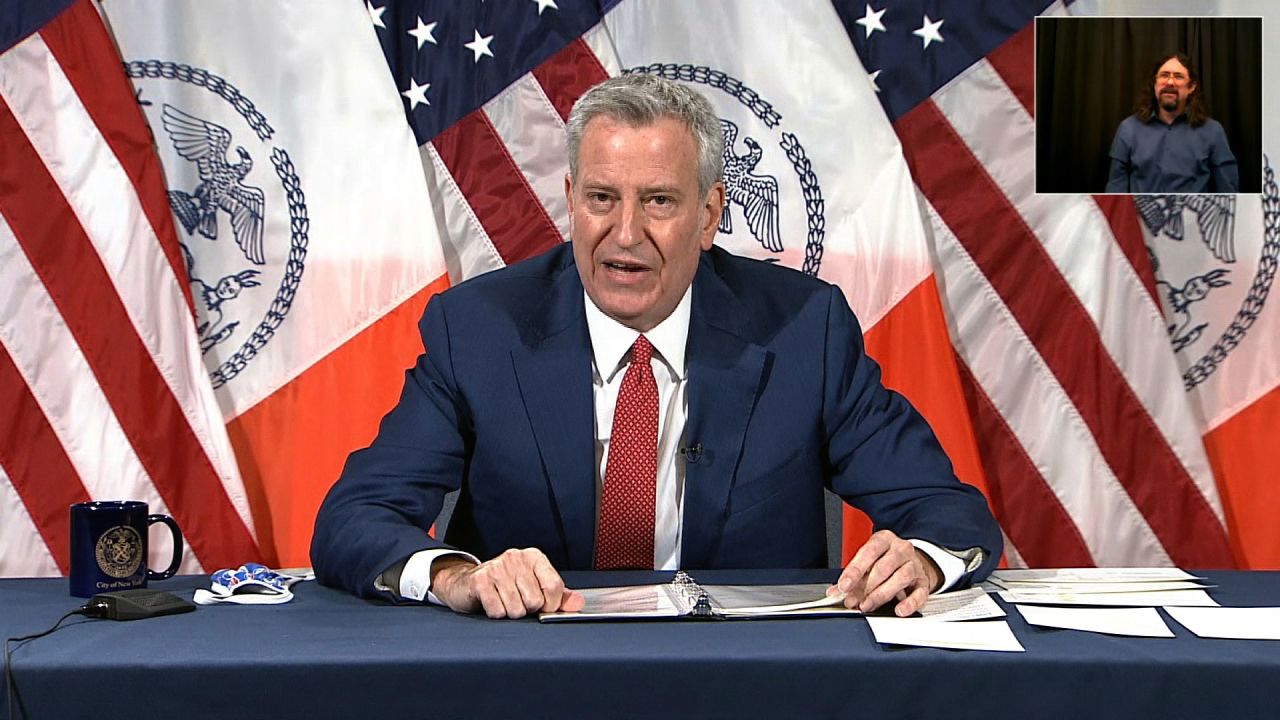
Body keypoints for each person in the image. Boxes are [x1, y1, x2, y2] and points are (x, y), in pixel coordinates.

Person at [311, 74, 1002, 619]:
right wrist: (457, 576)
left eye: (660, 202)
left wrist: (920, 558)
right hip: (528, 678)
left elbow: (948, 511)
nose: (625, 232)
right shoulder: (480, 328)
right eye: (603, 198)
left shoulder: (802, 331)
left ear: (708, 215)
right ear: (571, 198)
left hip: (743, 687)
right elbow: (353, 518)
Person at [1106, 53, 1238, 193]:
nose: (1170, 82)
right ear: (1154, 84)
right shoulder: (1128, 129)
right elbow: (1115, 188)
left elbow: (1228, 191)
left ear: (1191, 87)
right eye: (1164, 75)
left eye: (1178, 76)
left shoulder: (1213, 131)